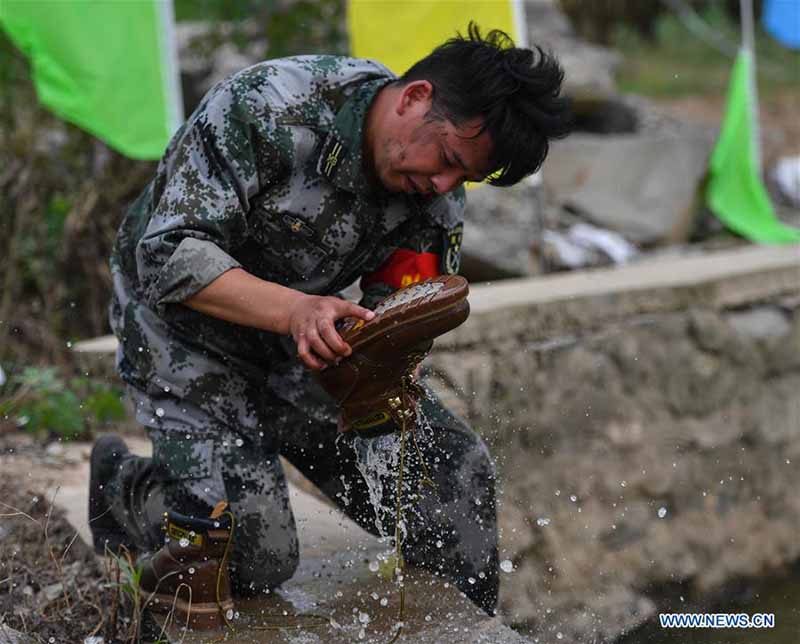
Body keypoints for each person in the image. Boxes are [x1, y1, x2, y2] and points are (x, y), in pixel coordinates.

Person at [89, 22, 570, 627]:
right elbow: (165, 255)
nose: (446, 186)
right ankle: (122, 488)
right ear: (415, 96)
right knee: (255, 555)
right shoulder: (266, 107)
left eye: (463, 178)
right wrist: (294, 310)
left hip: (302, 340)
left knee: (453, 475)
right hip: (178, 329)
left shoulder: (431, 193)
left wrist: (381, 364)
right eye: (447, 159)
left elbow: (398, 311)